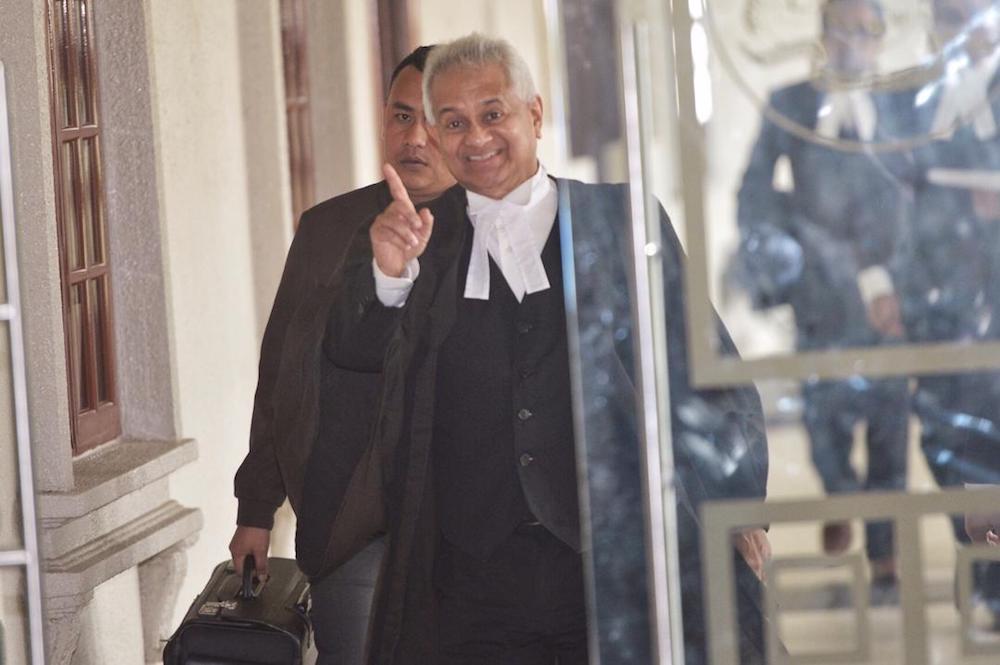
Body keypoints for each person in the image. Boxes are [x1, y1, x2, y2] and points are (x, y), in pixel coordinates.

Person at [325, 34, 770, 664]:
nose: (475, 137)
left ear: (534, 114)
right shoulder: (414, 238)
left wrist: (739, 500)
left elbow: (702, 360)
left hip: (615, 564)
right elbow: (352, 352)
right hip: (467, 582)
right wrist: (389, 274)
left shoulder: (621, 222)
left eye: (492, 114)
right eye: (453, 122)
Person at [229, 45, 455, 665]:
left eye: (436, 120)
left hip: (464, 528)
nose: (416, 137)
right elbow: (281, 370)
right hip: (352, 524)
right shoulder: (329, 229)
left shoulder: (489, 232)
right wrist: (256, 507)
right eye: (402, 116)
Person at [735, 0, 908, 603]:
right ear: (824, 34)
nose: (854, 42)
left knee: (889, 426)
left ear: (881, 37)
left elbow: (919, 195)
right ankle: (841, 493)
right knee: (824, 419)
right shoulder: (791, 102)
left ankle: (885, 557)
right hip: (818, 295)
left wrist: (901, 279)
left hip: (887, 295)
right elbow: (752, 189)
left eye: (867, 30)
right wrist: (781, 252)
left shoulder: (901, 106)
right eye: (843, 28)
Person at [886, 0, 1000, 624]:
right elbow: (886, 200)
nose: (965, 33)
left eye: (974, 18)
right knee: (946, 441)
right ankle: (979, 554)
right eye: (950, 19)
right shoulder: (907, 107)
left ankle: (993, 580)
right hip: (936, 303)